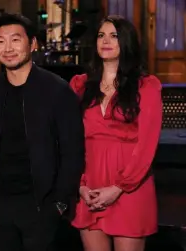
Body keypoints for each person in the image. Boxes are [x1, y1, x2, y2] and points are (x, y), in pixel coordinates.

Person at [0, 13, 85, 251]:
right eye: (1, 41)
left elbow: (72, 151)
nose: (8, 48)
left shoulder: (57, 91)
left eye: (15, 40)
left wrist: (59, 202)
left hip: (41, 206)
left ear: (32, 44)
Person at [69, 15, 162, 251]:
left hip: (130, 188)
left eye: (114, 36)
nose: (106, 41)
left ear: (126, 42)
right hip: (89, 187)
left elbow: (147, 145)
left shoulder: (147, 86)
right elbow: (70, 140)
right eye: (101, 35)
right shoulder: (79, 85)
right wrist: (80, 186)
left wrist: (119, 187)